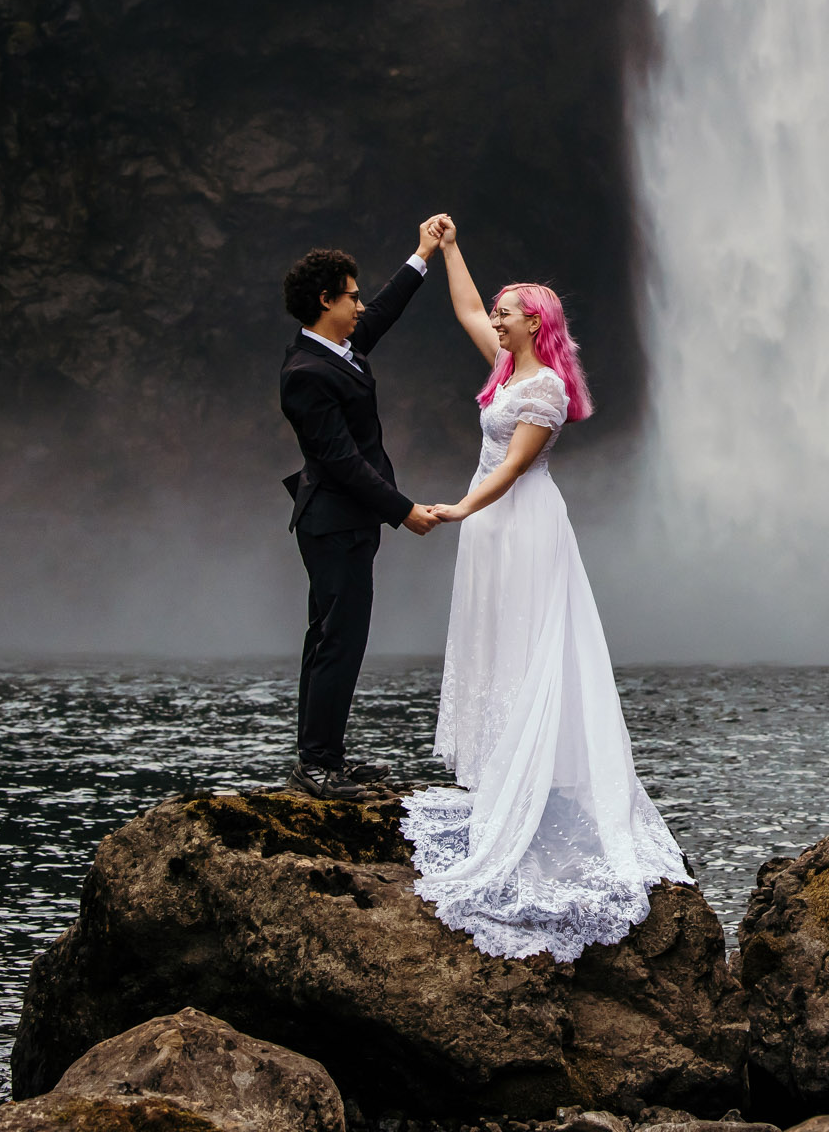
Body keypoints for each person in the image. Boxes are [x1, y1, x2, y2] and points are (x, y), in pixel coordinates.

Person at [399, 218, 686, 961]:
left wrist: (460, 508)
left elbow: (516, 467)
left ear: (536, 321)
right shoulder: (505, 365)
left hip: (519, 522)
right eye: (496, 309)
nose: (493, 316)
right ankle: (501, 779)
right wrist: (452, 247)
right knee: (495, 640)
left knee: (530, 645)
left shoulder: (548, 387)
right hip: (494, 528)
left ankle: (532, 788)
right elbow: (463, 309)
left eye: (506, 309)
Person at [278, 219, 453, 801]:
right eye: (351, 295)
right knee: (338, 641)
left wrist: (423, 255)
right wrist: (404, 511)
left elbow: (382, 313)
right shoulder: (306, 374)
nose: (359, 304)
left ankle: (322, 758)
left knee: (329, 637)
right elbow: (342, 461)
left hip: (347, 523)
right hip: (333, 524)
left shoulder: (338, 349)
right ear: (325, 301)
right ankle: (318, 766)